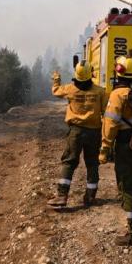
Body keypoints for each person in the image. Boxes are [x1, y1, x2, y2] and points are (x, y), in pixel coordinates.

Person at [99, 56, 132, 246]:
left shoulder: (117, 95)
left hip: (125, 144)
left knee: (127, 186)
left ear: (118, 72)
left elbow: (110, 124)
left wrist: (104, 149)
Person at [47, 62, 107, 208]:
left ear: (77, 75)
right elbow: (106, 113)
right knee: (92, 163)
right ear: (90, 73)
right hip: (94, 132)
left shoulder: (70, 89)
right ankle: (90, 197)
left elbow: (56, 91)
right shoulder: (100, 91)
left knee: (69, 162)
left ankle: (62, 196)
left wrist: (56, 79)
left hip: (76, 132)